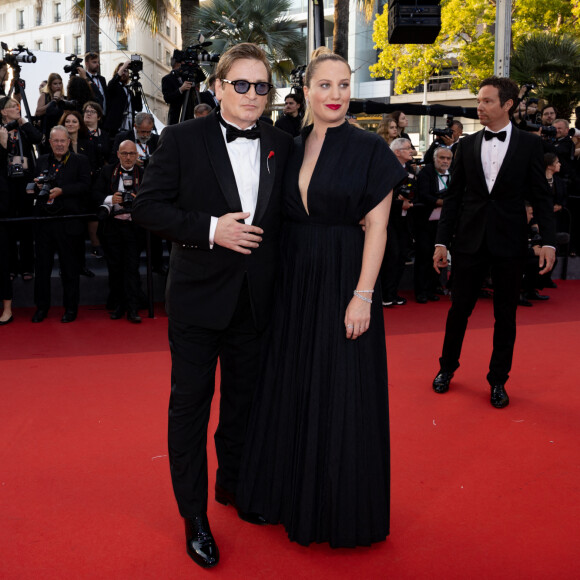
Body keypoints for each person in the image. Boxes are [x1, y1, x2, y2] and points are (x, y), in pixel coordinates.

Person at [131, 43, 293, 569]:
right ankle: (194, 517)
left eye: (261, 86)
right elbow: (148, 208)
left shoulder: (281, 143)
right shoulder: (181, 139)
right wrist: (209, 230)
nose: (251, 95)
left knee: (244, 407)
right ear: (219, 87)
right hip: (199, 303)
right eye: (241, 84)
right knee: (190, 412)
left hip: (256, 304)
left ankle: (236, 487)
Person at [237, 47, 406, 548]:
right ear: (306, 91)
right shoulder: (289, 145)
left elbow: (377, 228)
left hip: (343, 279)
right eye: (325, 85)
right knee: (292, 383)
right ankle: (287, 496)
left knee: (342, 388)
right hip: (294, 282)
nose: (336, 95)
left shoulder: (370, 149)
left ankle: (339, 508)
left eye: (344, 85)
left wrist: (363, 296)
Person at [432, 76, 556, 409]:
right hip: (469, 242)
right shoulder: (466, 145)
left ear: (507, 105)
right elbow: (453, 199)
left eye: (487, 101)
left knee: (505, 316)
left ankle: (498, 380)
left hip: (510, 244)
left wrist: (547, 241)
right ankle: (446, 368)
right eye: (479, 100)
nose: (480, 107)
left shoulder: (530, 146)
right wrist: (441, 243)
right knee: (459, 311)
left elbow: (542, 198)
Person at [29, 125, 91, 323]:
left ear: (69, 141)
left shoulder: (80, 161)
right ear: (49, 143)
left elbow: (85, 186)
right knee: (42, 269)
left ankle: (71, 309)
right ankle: (41, 308)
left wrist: (62, 191)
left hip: (68, 222)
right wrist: (37, 185)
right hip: (45, 223)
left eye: (62, 140)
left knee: (70, 269)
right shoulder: (41, 161)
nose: (59, 144)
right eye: (55, 141)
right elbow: (32, 185)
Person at [93, 140, 144, 322]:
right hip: (112, 228)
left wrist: (139, 200)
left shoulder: (144, 174)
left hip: (134, 228)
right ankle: (118, 305)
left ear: (137, 155)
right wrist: (110, 199)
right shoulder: (107, 172)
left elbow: (154, 198)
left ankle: (133, 308)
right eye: (124, 153)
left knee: (131, 268)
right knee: (115, 269)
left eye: (131, 154)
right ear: (118, 155)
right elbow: (95, 194)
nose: (128, 157)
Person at [0, 97, 43, 281]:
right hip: (6, 182)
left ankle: (27, 266)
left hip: (25, 181)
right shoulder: (1, 130)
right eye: (12, 107)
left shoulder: (23, 127)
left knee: (26, 225)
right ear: (3, 111)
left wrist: (23, 122)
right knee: (8, 226)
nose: (17, 109)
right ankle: (10, 266)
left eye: (18, 106)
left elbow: (38, 139)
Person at [380, 137, 416, 307]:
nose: (412, 151)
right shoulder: (386, 169)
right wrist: (399, 201)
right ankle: (385, 294)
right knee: (391, 255)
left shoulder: (411, 169)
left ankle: (393, 293)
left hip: (405, 220)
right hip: (388, 220)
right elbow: (381, 197)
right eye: (408, 148)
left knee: (402, 255)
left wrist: (410, 200)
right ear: (397, 152)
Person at [414, 146, 453, 303]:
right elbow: (422, 194)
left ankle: (433, 288)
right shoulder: (426, 172)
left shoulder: (454, 173)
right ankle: (421, 291)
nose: (445, 161)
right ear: (435, 158)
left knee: (438, 256)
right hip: (424, 222)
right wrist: (442, 202)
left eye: (448, 159)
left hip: (443, 223)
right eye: (441, 158)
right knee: (424, 256)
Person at [105, 61, 142, 135]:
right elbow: (112, 83)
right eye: (122, 70)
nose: (124, 73)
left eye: (126, 71)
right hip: (115, 128)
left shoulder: (129, 91)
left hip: (129, 128)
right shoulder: (114, 86)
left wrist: (137, 92)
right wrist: (124, 66)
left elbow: (138, 108)